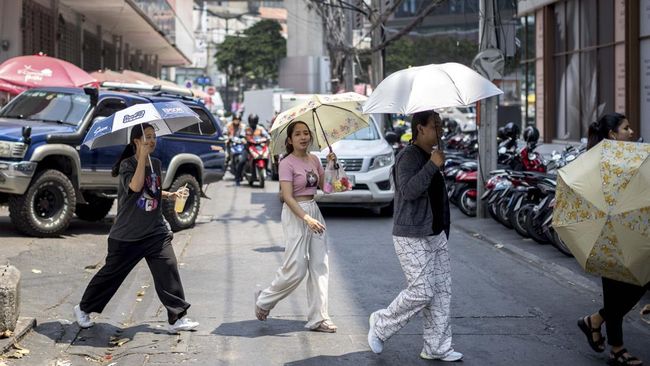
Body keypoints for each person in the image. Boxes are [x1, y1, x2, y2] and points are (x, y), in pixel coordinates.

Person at [73, 123, 199, 334]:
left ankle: (177, 318)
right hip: (128, 235)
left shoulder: (156, 164)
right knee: (111, 276)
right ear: (136, 142)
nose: (152, 141)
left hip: (154, 232)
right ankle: (83, 308)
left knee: (168, 266)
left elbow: (152, 191)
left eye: (154, 137)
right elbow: (136, 187)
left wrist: (170, 194)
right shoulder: (127, 165)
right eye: (147, 137)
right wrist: (141, 158)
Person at [367, 110, 463, 362]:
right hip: (411, 234)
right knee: (422, 291)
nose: (440, 130)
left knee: (441, 293)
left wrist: (444, 231)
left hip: (435, 234)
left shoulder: (432, 155)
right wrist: (433, 165)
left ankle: (436, 347)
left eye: (441, 125)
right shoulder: (407, 157)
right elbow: (409, 191)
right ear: (420, 129)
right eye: (435, 125)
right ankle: (380, 324)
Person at [254, 120, 338, 333]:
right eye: (298, 134)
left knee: (320, 265)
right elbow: (287, 197)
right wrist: (305, 218)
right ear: (290, 140)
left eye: (306, 133)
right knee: (296, 268)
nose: (303, 137)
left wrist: (330, 166)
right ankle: (264, 299)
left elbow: (326, 187)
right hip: (295, 214)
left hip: (314, 210)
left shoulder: (315, 159)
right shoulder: (287, 163)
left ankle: (319, 318)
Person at [577, 112, 647, 366]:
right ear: (612, 135)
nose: (631, 131)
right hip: (607, 231)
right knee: (615, 290)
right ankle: (616, 349)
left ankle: (595, 320)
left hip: (630, 229)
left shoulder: (631, 157)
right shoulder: (600, 161)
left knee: (643, 278)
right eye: (626, 128)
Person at [235, 114, 270, 185]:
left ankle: (266, 170)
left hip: (259, 147)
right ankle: (238, 178)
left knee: (266, 156)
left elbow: (267, 136)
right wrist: (242, 140)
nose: (253, 123)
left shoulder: (260, 128)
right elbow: (241, 136)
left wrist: (268, 138)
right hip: (248, 148)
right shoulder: (246, 128)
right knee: (242, 161)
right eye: (252, 122)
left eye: (254, 122)